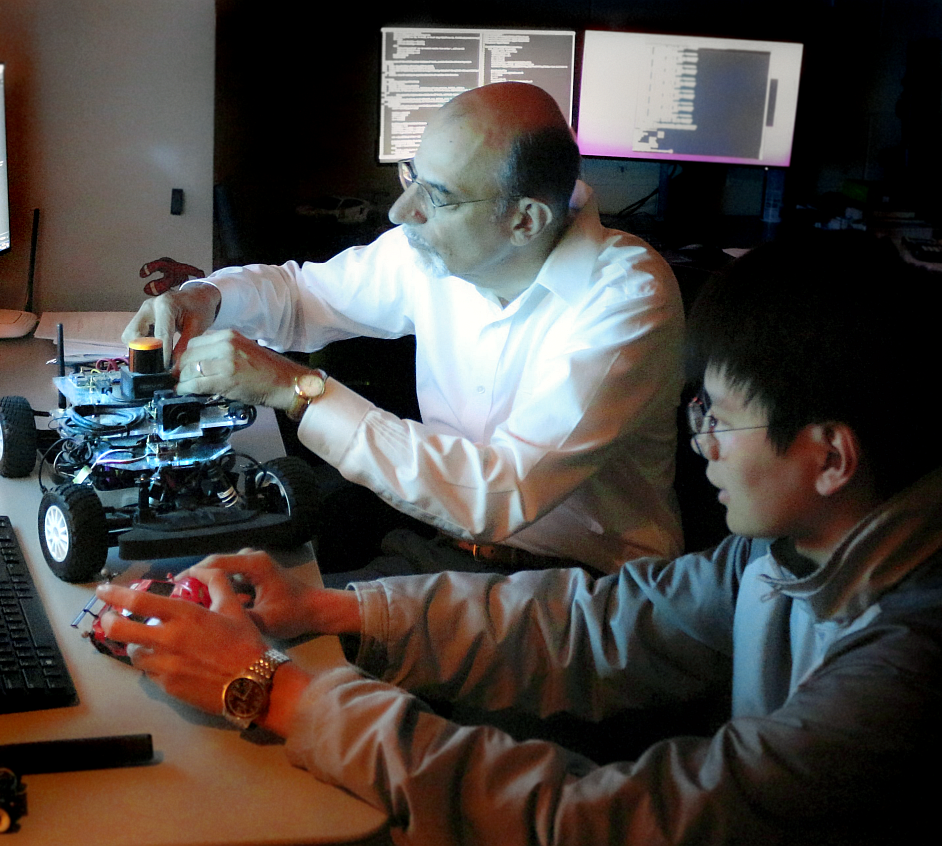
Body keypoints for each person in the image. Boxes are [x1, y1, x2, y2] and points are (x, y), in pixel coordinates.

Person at [98, 232, 942, 844]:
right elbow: (595, 626)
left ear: (831, 457)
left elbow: (600, 821)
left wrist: (275, 694)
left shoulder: (904, 665)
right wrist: (330, 609)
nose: (701, 445)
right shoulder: (784, 553)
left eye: (720, 419)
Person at [121, 82, 684, 576]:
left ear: (525, 220)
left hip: (579, 585)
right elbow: (304, 297)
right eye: (411, 175)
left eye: (435, 197)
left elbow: (498, 495)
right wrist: (204, 297)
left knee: (271, 643)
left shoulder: (627, 300)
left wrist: (295, 389)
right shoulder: (444, 251)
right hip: (446, 542)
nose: (399, 211)